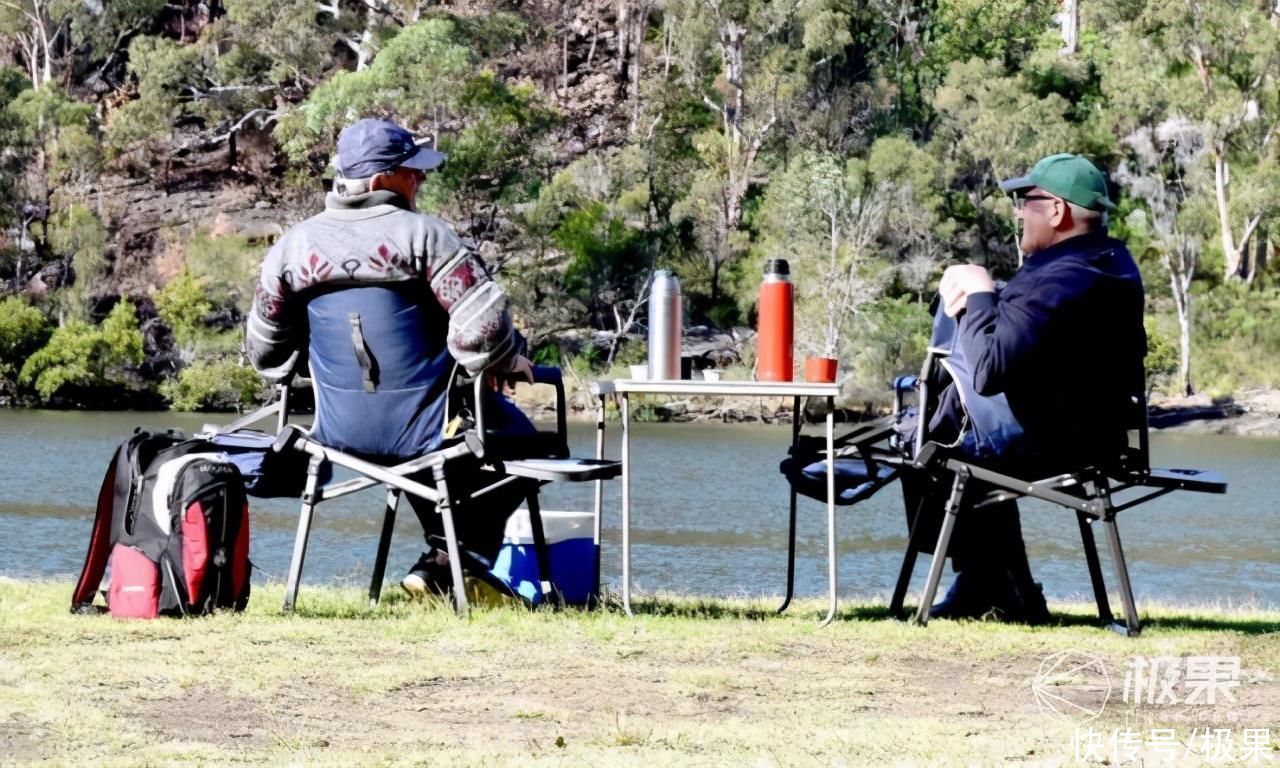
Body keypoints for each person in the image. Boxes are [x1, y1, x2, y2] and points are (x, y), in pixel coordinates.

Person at [244, 117, 536, 598]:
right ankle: (452, 561)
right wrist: (503, 361)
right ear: (381, 180)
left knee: (436, 457)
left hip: (336, 436)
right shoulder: (427, 238)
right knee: (525, 444)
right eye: (411, 170)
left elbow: (265, 352)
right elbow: (483, 331)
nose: (420, 179)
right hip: (426, 433)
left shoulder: (290, 248)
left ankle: (439, 567)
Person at [916, 152, 1146, 621]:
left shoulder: (1062, 277)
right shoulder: (1110, 263)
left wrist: (979, 289)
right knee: (947, 434)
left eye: (1025, 200)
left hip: (1051, 445)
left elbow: (988, 370)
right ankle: (1003, 587)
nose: (1018, 211)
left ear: (1057, 211)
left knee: (928, 441)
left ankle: (991, 586)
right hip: (1092, 438)